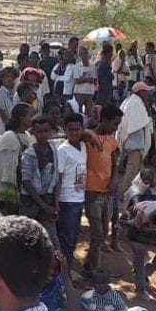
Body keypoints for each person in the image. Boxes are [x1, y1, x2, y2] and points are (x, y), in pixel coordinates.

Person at [84, 106, 121, 272]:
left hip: (107, 193)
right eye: (114, 124)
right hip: (92, 192)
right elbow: (82, 132)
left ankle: (89, 265)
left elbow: (114, 165)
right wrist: (92, 134)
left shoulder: (112, 141)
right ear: (104, 120)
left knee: (103, 232)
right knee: (97, 233)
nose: (116, 128)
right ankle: (95, 269)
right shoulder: (87, 137)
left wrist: (114, 180)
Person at [56, 112, 88, 261]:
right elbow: (59, 177)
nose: (75, 133)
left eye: (78, 129)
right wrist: (56, 203)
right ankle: (65, 275)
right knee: (66, 239)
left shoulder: (83, 145)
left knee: (74, 236)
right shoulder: (63, 150)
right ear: (65, 130)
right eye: (71, 130)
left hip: (79, 198)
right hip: (66, 200)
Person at [116, 81, 154, 194]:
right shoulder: (136, 103)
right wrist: (149, 119)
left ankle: (141, 191)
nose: (147, 94)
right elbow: (138, 123)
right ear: (140, 92)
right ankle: (125, 192)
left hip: (132, 140)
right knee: (132, 170)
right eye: (146, 92)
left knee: (140, 170)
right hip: (135, 143)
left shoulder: (130, 101)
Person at [0, 106, 31, 215]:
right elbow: (6, 170)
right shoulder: (9, 138)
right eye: (30, 116)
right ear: (22, 118)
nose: (32, 118)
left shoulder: (27, 136)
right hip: (8, 189)